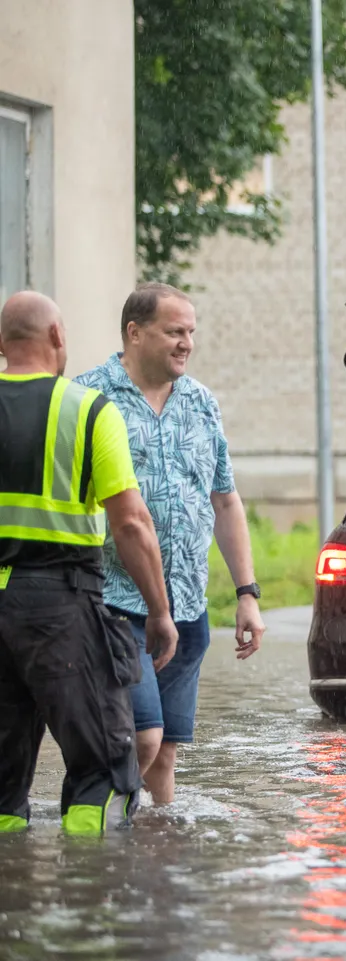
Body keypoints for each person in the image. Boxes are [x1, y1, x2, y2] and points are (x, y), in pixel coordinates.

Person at [75, 283, 265, 806]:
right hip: (115, 602)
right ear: (135, 333)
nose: (186, 343)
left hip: (187, 606)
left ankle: (155, 860)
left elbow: (225, 500)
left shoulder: (202, 403)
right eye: (174, 332)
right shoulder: (89, 397)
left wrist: (247, 592)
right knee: (141, 737)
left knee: (166, 755)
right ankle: (98, 843)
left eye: (191, 333)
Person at [0, 291, 176, 835]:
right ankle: (91, 907)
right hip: (60, 605)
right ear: (57, 337)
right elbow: (130, 524)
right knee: (104, 772)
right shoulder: (87, 409)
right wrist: (159, 611)